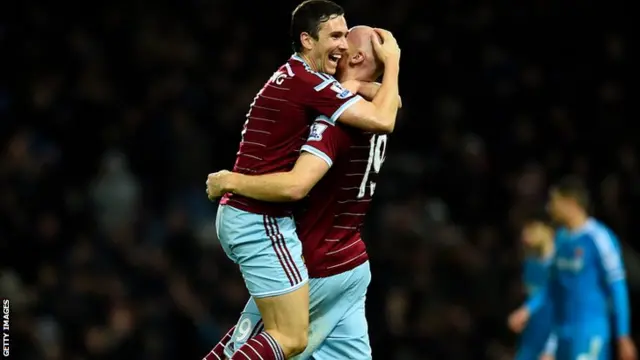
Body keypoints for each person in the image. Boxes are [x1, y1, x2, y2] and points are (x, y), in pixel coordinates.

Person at [208, 0, 402, 358]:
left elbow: (297, 184)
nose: (342, 46)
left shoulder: (334, 117)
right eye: (336, 36)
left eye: (346, 39)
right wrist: (389, 67)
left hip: (316, 260)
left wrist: (229, 180)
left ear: (356, 59)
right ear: (307, 40)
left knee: (273, 339)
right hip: (353, 262)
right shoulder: (368, 106)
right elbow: (391, 107)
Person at [521, 177, 637, 360]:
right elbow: (554, 289)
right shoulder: (560, 239)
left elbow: (617, 287)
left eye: (554, 201)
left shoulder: (599, 238)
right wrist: (529, 311)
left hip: (590, 332)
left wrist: (623, 334)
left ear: (570, 203)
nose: (550, 207)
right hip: (563, 334)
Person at [508, 212, 554, 360]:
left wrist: (551, 349)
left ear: (548, 230)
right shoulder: (529, 264)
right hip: (531, 339)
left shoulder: (563, 264)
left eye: (531, 229)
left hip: (556, 340)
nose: (525, 235)